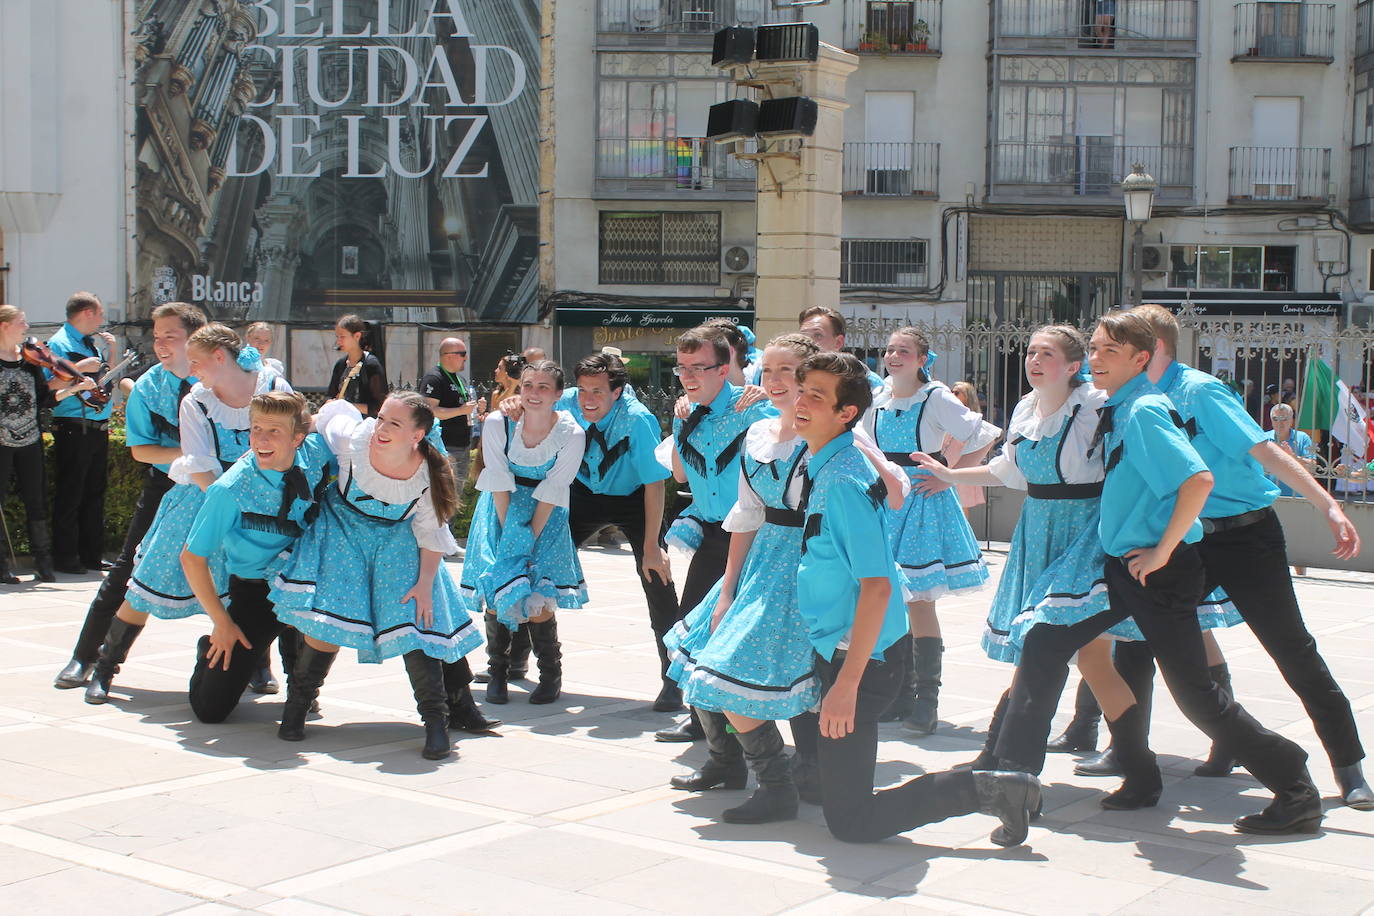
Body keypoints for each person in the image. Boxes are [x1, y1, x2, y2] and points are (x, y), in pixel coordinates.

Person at [916, 326, 1241, 807]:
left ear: (1072, 366)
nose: (1033, 360)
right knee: (1081, 655)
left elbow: (1131, 468)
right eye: (1029, 352)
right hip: (1038, 530)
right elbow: (1010, 471)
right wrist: (949, 475)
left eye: (1046, 354)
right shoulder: (1027, 409)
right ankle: (1132, 768)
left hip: (1085, 534)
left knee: (1048, 644)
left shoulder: (1095, 406)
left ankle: (1012, 760)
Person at [1118, 304, 1372, 810]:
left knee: (1292, 649)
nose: (1103, 357)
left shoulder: (1200, 391)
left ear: (1152, 348)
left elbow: (1267, 452)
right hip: (1183, 537)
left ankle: (1349, 769)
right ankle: (1135, 753)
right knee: (1137, 637)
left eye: (1115, 346)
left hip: (1246, 537)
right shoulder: (1133, 399)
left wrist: (1328, 505)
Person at [789, 350, 1039, 846]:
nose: (801, 401)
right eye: (802, 390)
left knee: (852, 822)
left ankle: (990, 790)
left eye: (817, 395)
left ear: (846, 414)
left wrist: (847, 685)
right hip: (841, 650)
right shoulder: (830, 460)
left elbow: (878, 586)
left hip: (860, 659)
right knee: (827, 781)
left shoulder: (841, 480)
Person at [664, 334, 908, 823]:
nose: (777, 382)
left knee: (783, 675)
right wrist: (728, 587)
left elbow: (894, 491)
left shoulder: (834, 441)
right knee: (712, 657)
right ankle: (738, 765)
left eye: (790, 374)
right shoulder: (758, 434)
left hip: (810, 563)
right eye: (767, 370)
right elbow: (746, 513)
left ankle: (797, 778)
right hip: (761, 561)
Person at [269, 393, 489, 759]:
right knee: (328, 622)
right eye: (382, 418)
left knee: (415, 623)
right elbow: (326, 416)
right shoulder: (350, 437)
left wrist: (424, 585)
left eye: (395, 424)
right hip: (341, 530)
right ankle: (295, 710)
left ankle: (436, 722)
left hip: (394, 539)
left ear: (417, 435)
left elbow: (430, 533)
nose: (381, 428)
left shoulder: (426, 473)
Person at [83, 325, 290, 704]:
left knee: (254, 587)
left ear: (219, 357)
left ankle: (260, 665)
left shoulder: (273, 384)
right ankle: (105, 667)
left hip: (264, 500)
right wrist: (228, 511)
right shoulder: (196, 401)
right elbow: (198, 465)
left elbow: (294, 439)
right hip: (204, 498)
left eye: (196, 362)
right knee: (148, 583)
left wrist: (262, 503)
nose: (191, 370)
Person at [53, 302, 206, 687]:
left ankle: (257, 667)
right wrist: (195, 454)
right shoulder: (149, 387)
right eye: (157, 338)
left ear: (197, 339)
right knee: (127, 570)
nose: (162, 345)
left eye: (171, 337)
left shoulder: (223, 380)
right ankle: (85, 657)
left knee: (247, 573)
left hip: (218, 488)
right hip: (166, 485)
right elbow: (142, 451)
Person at [860, 327, 999, 735]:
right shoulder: (879, 398)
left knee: (919, 601)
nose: (893, 356)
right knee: (889, 597)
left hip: (921, 502)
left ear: (923, 359)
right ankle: (899, 694)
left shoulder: (935, 396)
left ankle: (926, 700)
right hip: (887, 499)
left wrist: (950, 475)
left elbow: (986, 434)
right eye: (889, 349)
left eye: (904, 350)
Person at [654, 326, 779, 743]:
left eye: (699, 368)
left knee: (740, 636)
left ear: (724, 369)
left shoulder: (753, 410)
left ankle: (745, 735)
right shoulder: (684, 411)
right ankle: (706, 732)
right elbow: (678, 473)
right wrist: (680, 423)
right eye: (682, 368)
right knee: (693, 630)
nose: (689, 376)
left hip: (753, 537)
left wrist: (766, 398)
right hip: (710, 534)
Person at [181, 391, 331, 723]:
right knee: (210, 709)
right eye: (255, 428)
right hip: (256, 591)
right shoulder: (229, 489)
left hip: (306, 583)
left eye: (273, 430)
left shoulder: (318, 454)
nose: (261, 439)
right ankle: (208, 648)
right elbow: (191, 558)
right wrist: (222, 623)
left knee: (308, 684)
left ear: (298, 437)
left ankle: (300, 683)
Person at [555, 352, 680, 710]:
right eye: (582, 390)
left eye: (597, 391)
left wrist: (652, 546)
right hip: (583, 493)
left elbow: (656, 485)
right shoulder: (568, 403)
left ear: (617, 391)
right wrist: (519, 402)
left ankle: (673, 680)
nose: (587, 399)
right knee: (540, 565)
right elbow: (537, 403)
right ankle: (514, 660)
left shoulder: (638, 419)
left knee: (658, 582)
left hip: (634, 497)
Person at [462, 360, 586, 706]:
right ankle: (498, 672)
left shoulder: (572, 433)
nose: (534, 393)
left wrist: (529, 533)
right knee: (496, 584)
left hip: (545, 512)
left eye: (543, 387)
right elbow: (497, 475)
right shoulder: (498, 423)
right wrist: (510, 533)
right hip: (500, 508)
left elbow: (555, 485)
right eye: (528, 385)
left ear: (558, 394)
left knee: (538, 592)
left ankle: (550, 674)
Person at [0, 305, 96, 584]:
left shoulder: (30, 361)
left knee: (37, 501)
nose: (27, 327)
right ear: (5, 326)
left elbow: (43, 399)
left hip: (30, 438)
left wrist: (74, 389)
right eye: (21, 322)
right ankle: (1, 567)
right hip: (1, 442)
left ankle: (44, 563)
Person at [45, 292, 118, 575]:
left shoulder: (90, 343)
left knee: (94, 494)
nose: (102, 320)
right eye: (99, 314)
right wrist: (78, 368)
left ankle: (90, 555)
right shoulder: (59, 343)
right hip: (74, 425)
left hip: (96, 425)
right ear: (87, 313)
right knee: (71, 493)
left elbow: (98, 383)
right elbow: (49, 383)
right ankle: (65, 557)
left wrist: (110, 356)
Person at [419, 337, 484, 544]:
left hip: (462, 443)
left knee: (455, 493)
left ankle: (448, 539)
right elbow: (429, 410)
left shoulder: (458, 380)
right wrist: (460, 410)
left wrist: (475, 410)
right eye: (462, 354)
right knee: (445, 493)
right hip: (445, 446)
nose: (466, 358)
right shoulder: (434, 378)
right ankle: (439, 540)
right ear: (448, 356)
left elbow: (463, 411)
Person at [797, 306, 884, 391]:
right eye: (803, 335)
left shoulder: (869, 383)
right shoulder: (790, 377)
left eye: (818, 335)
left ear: (838, 342)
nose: (808, 342)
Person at [944, 381, 992, 519]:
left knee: (962, 504)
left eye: (957, 392)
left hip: (963, 464)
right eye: (951, 391)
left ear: (968, 397)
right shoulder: (948, 414)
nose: (952, 394)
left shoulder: (973, 420)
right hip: (947, 463)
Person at [328, 314, 386, 416]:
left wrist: (347, 406)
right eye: (337, 337)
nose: (338, 341)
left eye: (342, 337)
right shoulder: (340, 364)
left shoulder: (371, 365)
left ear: (357, 336)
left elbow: (379, 407)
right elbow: (330, 395)